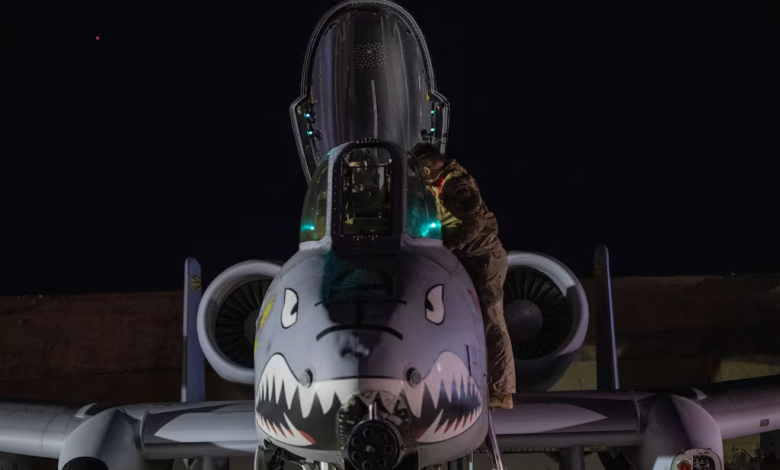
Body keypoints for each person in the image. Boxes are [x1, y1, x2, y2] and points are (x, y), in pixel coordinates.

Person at [409, 142, 516, 409]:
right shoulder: (437, 183)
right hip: (467, 258)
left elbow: (473, 223)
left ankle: (502, 392)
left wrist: (447, 246)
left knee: (492, 319)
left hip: (484, 257)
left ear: (425, 167)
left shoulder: (456, 184)